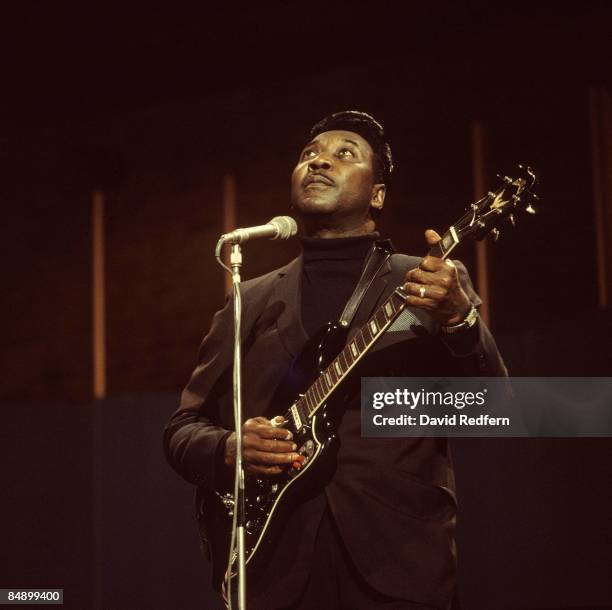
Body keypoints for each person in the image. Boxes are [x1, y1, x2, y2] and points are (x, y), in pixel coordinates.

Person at [163, 111, 507, 610]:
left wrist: (459, 320)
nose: (320, 160)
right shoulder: (250, 300)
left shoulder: (427, 285)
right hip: (271, 568)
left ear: (378, 194)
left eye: (345, 153)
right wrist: (229, 448)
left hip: (399, 562)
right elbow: (182, 428)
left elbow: (494, 409)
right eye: (309, 154)